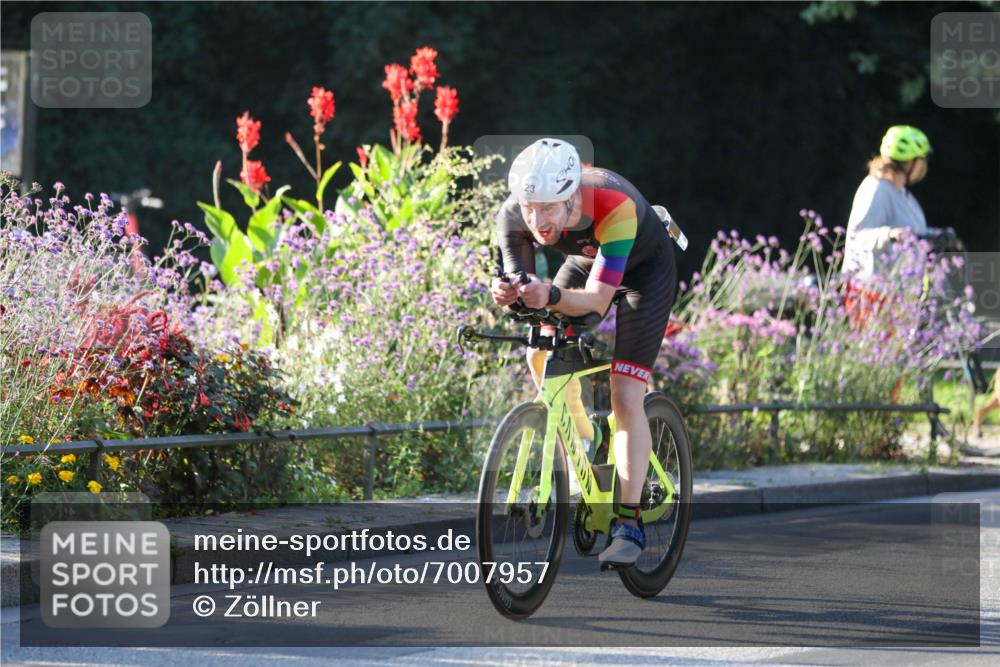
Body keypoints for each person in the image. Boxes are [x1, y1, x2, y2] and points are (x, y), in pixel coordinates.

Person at [490, 138, 677, 568]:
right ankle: (585, 442)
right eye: (529, 208)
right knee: (538, 352)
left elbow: (595, 302)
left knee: (625, 393)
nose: (537, 221)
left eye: (548, 208)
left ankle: (628, 523)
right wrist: (508, 294)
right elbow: (524, 291)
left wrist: (552, 294)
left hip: (644, 272)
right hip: (588, 260)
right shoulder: (513, 214)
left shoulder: (613, 206)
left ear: (572, 196)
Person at [842, 125, 932, 279]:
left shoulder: (903, 194)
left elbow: (915, 233)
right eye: (922, 159)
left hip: (896, 289)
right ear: (911, 162)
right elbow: (858, 236)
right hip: (867, 288)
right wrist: (890, 234)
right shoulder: (876, 189)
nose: (924, 165)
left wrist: (937, 235)